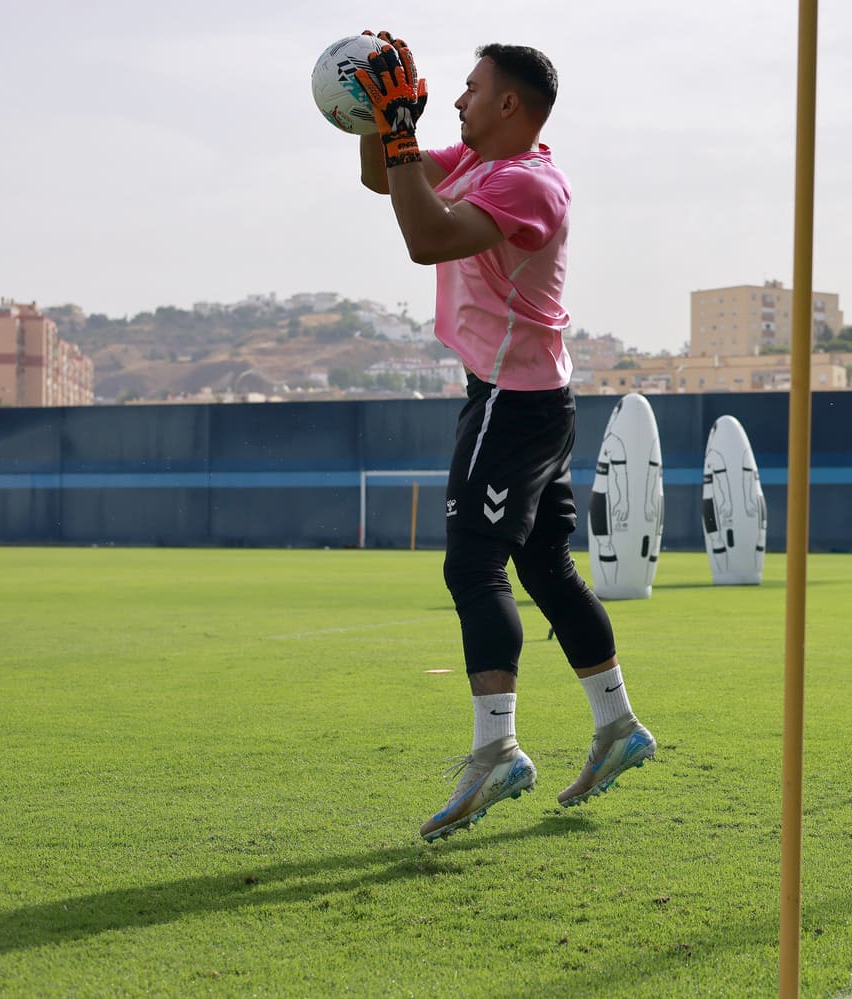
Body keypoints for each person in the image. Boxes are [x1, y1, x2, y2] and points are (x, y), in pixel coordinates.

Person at [355, 32, 656, 842]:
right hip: (533, 398)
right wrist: (373, 112)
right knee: (546, 568)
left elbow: (425, 239)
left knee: (472, 563)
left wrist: (400, 131)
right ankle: (620, 725)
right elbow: (380, 175)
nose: (457, 99)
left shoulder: (530, 183)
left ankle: (497, 752)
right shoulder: (481, 162)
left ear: (510, 105)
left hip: (512, 403)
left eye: (470, 87)